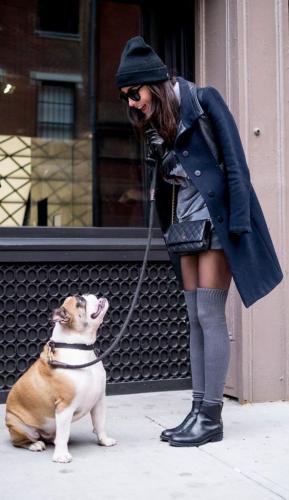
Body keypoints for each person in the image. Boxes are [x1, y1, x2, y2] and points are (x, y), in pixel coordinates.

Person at [115, 36, 283, 447]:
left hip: (217, 222)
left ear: (152, 84)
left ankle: (211, 417)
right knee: (192, 318)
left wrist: (240, 226)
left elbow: (235, 164)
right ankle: (197, 408)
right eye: (126, 98)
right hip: (183, 225)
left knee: (210, 316)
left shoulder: (204, 100)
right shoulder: (159, 123)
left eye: (134, 94)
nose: (132, 104)